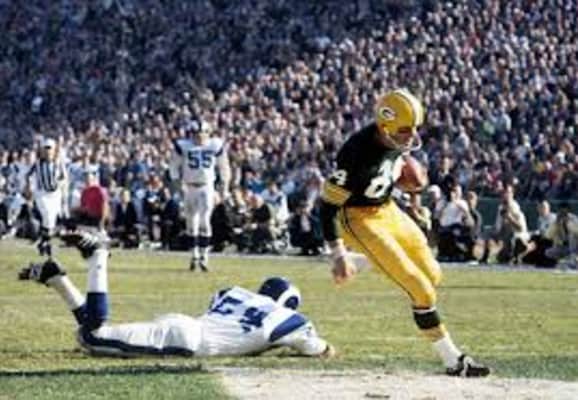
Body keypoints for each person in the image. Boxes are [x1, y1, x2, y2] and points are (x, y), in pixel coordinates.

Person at [319, 89, 490, 377]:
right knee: (420, 290)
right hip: (358, 219)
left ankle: (367, 261)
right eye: (404, 130)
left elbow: (393, 173)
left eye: (414, 128)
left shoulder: (395, 137)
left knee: (433, 275)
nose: (411, 135)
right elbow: (326, 208)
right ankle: (453, 360)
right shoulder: (355, 155)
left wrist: (412, 199)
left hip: (388, 209)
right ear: (384, 127)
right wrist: (337, 254)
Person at [18, 232, 335, 358]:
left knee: (92, 335)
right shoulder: (292, 320)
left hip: (183, 324)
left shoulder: (234, 293)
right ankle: (98, 257)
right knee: (92, 338)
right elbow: (319, 349)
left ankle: (56, 279)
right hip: (189, 342)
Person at [172, 120, 231, 271]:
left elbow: (224, 167)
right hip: (189, 186)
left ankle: (204, 257)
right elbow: (174, 168)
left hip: (207, 186)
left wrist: (224, 187)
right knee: (191, 223)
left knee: (204, 220)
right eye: (197, 134)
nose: (200, 137)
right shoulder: (183, 146)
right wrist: (178, 186)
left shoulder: (215, 145)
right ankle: (194, 256)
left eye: (203, 133)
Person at [26, 138, 67, 257]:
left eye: (49, 148)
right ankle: (44, 242)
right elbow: (28, 175)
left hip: (55, 194)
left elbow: (64, 177)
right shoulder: (38, 163)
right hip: (42, 193)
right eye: (45, 148)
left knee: (51, 221)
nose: (47, 151)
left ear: (54, 150)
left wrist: (60, 184)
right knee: (47, 215)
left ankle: (44, 243)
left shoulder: (58, 163)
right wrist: (29, 186)